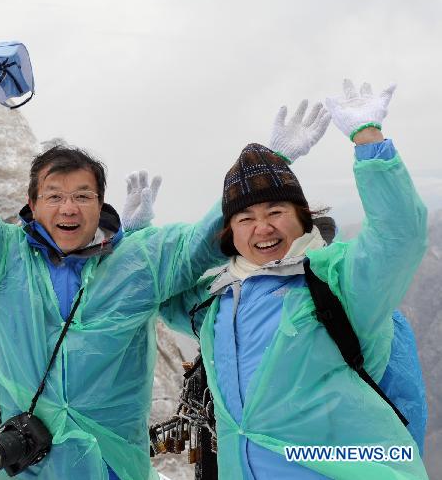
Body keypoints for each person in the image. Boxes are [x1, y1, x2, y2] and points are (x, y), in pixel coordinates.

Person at [0, 65, 227, 480]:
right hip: (24, 466)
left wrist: (263, 175)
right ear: (32, 202)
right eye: (55, 196)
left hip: (111, 468)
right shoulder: (2, 257)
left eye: (83, 196)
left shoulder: (137, 262)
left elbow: (205, 241)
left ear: (101, 203)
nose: (69, 208)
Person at [158, 81, 429, 479]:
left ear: (302, 216)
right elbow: (163, 292)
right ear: (229, 233)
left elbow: (399, 236)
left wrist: (369, 143)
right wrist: (133, 237)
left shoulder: (335, 281)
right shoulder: (216, 302)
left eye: (275, 211)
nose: (262, 229)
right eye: (245, 218)